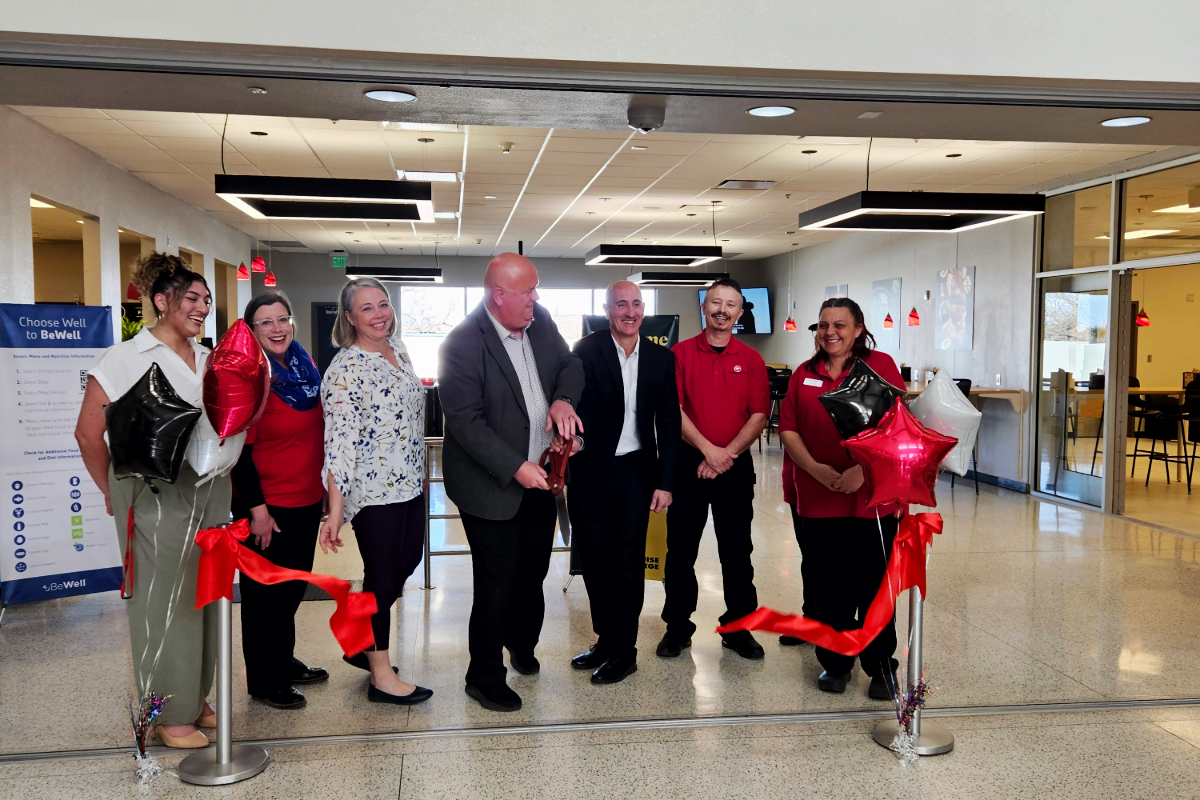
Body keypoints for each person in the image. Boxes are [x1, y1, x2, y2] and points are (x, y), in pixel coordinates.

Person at [74, 253, 225, 749]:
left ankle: (194, 697)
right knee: (164, 603)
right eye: (192, 299)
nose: (203, 307)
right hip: (154, 492)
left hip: (208, 491)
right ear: (162, 301)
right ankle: (164, 711)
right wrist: (112, 493)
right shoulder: (124, 359)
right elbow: (88, 434)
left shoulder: (208, 358)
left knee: (205, 594)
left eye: (206, 299)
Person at [439, 252, 584, 712]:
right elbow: (465, 421)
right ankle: (482, 675)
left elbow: (570, 365)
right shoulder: (462, 344)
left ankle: (522, 645)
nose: (537, 298)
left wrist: (562, 400)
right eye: (529, 291)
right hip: (491, 486)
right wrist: (513, 466)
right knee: (497, 581)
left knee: (532, 573)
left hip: (541, 478)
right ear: (499, 295)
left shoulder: (538, 321)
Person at [777, 296, 905, 699]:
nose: (830, 331)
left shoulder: (879, 366)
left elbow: (896, 426)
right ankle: (835, 662)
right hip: (818, 496)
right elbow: (789, 429)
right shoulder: (804, 374)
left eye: (839, 325)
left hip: (873, 499)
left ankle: (882, 665)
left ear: (858, 330)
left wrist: (860, 471)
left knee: (874, 586)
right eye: (823, 324)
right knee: (827, 585)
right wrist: (814, 469)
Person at [318, 278, 432, 706]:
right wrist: (335, 510)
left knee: (409, 560)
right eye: (366, 308)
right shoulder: (344, 370)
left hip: (408, 483)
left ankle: (357, 638)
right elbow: (339, 446)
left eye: (382, 304)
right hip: (373, 492)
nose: (378, 313)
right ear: (349, 317)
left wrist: (419, 471)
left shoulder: (399, 348)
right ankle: (381, 675)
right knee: (382, 578)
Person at [568, 281, 681, 685]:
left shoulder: (661, 359)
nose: (630, 312)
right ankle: (606, 638)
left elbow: (669, 423)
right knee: (595, 563)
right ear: (607, 308)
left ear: (643, 309)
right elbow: (573, 408)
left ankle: (625, 652)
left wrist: (666, 481)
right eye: (621, 304)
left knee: (627, 565)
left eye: (636, 304)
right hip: (590, 473)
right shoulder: (584, 352)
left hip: (636, 472)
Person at [658, 278, 770, 660]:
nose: (723, 310)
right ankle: (677, 627)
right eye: (716, 303)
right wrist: (709, 451)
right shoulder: (680, 354)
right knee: (681, 552)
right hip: (689, 464)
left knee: (737, 551)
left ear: (740, 312)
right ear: (704, 308)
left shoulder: (752, 359)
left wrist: (726, 455)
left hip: (735, 467)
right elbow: (673, 410)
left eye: (731, 304)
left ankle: (738, 629)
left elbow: (759, 414)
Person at [231, 292, 328, 711]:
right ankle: (265, 680)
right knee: (263, 598)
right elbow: (237, 452)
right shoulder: (249, 375)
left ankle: (281, 660)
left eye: (282, 318)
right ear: (251, 330)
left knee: (290, 590)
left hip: (305, 498)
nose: (277, 328)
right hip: (267, 506)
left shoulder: (304, 366)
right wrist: (256, 511)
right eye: (265, 322)